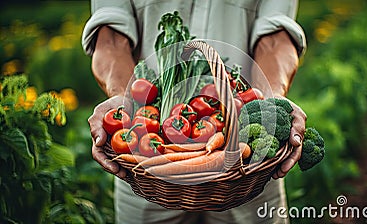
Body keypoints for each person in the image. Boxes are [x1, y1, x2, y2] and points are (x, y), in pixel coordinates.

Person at [82, 0, 307, 223]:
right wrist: (122, 98)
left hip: (246, 170)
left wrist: (272, 100)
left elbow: (275, 38)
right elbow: (110, 38)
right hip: (145, 169)